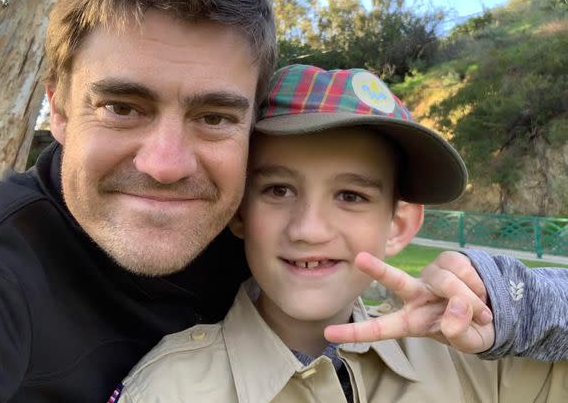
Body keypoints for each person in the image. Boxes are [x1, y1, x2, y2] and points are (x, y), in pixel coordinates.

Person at [0, 0, 276, 402]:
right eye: (121, 108)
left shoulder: (264, 251)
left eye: (215, 118)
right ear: (58, 111)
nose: (164, 165)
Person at [115, 64, 568, 403]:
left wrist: (516, 303)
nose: (309, 229)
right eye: (278, 189)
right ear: (238, 211)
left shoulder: (473, 363)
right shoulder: (166, 389)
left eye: (351, 196)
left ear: (399, 224)